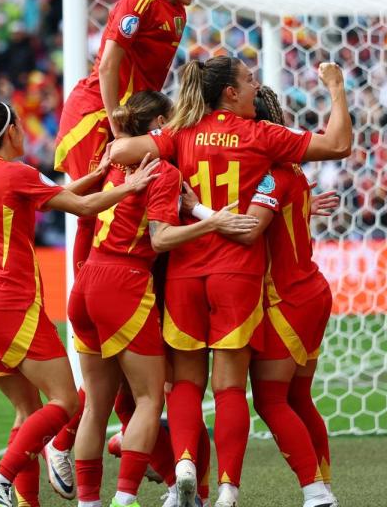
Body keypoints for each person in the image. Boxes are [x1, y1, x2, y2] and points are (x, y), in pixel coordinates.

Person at [110, 58, 352, 507]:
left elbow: (120, 152)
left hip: (185, 272)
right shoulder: (263, 139)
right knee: (233, 389)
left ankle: (182, 467)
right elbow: (338, 144)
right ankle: (230, 491)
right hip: (238, 275)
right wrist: (336, 86)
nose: (254, 82)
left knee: (184, 385)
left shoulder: (181, 134)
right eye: (248, 78)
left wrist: (164, 150)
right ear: (230, 93)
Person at [49, 0, 204, 493]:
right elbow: (111, 59)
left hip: (127, 119)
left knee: (126, 208)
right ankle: (72, 440)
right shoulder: (140, 0)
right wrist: (118, 126)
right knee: (105, 207)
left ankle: (77, 440)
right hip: (97, 116)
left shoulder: (176, 14)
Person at [0, 101, 160, 507]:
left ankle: (26, 502)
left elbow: (57, 194)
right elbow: (82, 207)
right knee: (65, 401)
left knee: (28, 411)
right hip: (9, 305)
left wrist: (100, 175)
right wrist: (129, 187)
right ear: (11, 131)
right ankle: (1, 477)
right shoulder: (16, 173)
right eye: (19, 125)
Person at [69, 91, 257, 507]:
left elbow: (79, 208)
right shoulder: (164, 171)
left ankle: (88, 501)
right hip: (124, 282)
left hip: (85, 282)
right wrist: (213, 222)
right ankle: (125, 497)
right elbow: (161, 237)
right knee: (152, 399)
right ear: (156, 126)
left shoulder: (110, 161)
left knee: (95, 406)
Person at [183, 86, 341, 507]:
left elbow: (251, 228)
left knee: (270, 400)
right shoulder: (289, 172)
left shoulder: (270, 176)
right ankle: (323, 485)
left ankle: (316, 491)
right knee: (297, 398)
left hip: (286, 298)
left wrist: (197, 210)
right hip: (310, 292)